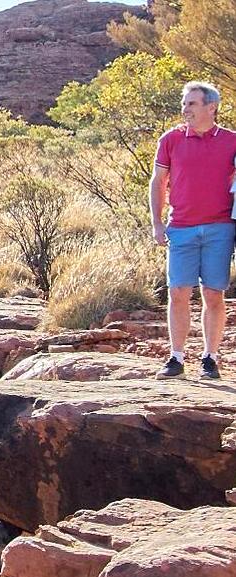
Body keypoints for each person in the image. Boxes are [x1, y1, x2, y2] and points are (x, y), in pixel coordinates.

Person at [151, 80, 236, 380]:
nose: (185, 108)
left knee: (213, 294)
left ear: (211, 107)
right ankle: (176, 357)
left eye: (192, 103)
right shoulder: (171, 139)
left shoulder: (232, 141)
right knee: (178, 292)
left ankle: (209, 359)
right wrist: (157, 223)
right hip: (182, 228)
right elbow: (158, 182)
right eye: (184, 103)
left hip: (220, 228)